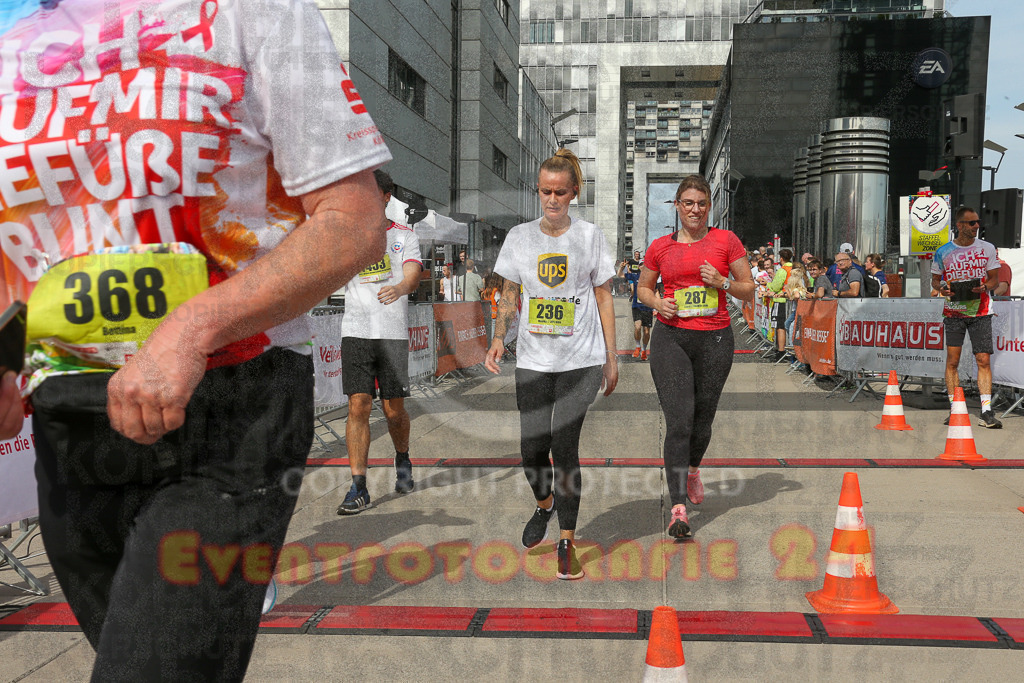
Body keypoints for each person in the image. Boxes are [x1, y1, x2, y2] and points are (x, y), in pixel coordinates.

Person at [0, 0, 391, 677]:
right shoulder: (13, 43)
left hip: (228, 406)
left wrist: (191, 327)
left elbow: (351, 222)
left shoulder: (253, 13)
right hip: (68, 422)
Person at [484, 148, 617, 580]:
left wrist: (612, 358)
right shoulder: (520, 237)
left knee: (565, 448)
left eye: (561, 192)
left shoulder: (590, 236)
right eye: (546, 191)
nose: (553, 199)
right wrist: (497, 340)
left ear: (574, 193)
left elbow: (603, 297)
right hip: (535, 359)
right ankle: (545, 504)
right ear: (537, 191)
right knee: (530, 449)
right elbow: (509, 295)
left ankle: (566, 541)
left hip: (582, 358)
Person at [637, 175, 755, 539]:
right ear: (677, 205)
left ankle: (692, 470)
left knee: (702, 421)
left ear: (709, 206)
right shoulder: (660, 246)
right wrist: (658, 302)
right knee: (679, 421)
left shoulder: (726, 241)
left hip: (715, 340)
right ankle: (677, 509)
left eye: (701, 203)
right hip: (670, 338)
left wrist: (721, 282)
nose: (695, 209)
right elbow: (642, 288)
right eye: (687, 203)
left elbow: (748, 289)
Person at [337, 170, 423, 514]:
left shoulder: (404, 236)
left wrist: (400, 288)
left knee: (393, 410)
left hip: (390, 332)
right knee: (357, 404)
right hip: (355, 330)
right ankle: (359, 486)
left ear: (386, 196)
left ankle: (402, 457)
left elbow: (413, 274)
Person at [931, 206, 1003, 429]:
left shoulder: (987, 248)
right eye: (972, 223)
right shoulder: (943, 251)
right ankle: (955, 409)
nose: (976, 226)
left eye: (978, 222)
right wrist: (942, 288)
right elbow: (935, 281)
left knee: (983, 360)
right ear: (960, 225)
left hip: (981, 312)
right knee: (952, 361)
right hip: (954, 312)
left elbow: (994, 280)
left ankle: (986, 410)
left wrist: (984, 287)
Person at [766, 248, 795, 360]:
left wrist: (769, 286)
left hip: (781, 300)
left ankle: (781, 351)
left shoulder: (782, 270)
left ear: (781, 258)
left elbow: (776, 286)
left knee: (780, 326)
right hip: (790, 299)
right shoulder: (793, 268)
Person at [630, 276, 654, 360]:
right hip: (637, 307)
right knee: (637, 327)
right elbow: (621, 274)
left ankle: (643, 351)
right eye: (640, 264)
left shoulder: (652, 277)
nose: (642, 266)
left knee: (646, 332)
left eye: (643, 264)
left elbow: (657, 292)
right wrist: (622, 267)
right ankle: (637, 347)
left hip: (648, 308)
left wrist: (657, 308)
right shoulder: (635, 276)